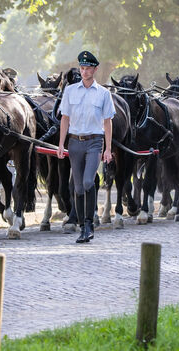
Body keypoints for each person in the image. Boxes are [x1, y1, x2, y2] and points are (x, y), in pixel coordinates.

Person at [57, 50, 115, 243]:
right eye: (82, 68)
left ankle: (89, 223)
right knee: (79, 187)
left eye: (88, 68)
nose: (84, 71)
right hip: (74, 143)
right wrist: (61, 144)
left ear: (95, 69)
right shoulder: (70, 91)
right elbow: (64, 119)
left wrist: (107, 149)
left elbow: (107, 122)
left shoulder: (104, 94)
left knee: (89, 182)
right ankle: (83, 226)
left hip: (94, 141)